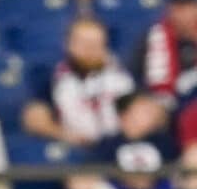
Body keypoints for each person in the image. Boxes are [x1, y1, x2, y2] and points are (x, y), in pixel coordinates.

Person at [23, 18, 134, 146]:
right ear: (68, 44)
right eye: (84, 43)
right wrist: (63, 134)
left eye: (96, 43)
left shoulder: (124, 74)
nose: (90, 49)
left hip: (119, 147)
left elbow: (146, 111)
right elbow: (33, 119)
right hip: (74, 151)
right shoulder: (51, 76)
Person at [69, 90, 177, 189]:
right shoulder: (109, 144)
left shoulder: (164, 141)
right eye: (144, 111)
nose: (153, 114)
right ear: (125, 115)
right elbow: (94, 169)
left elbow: (175, 168)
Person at [137, 0, 197, 107]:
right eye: (179, 7)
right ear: (169, 8)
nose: (184, 13)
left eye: (190, 6)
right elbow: (135, 77)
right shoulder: (152, 36)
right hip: (166, 107)